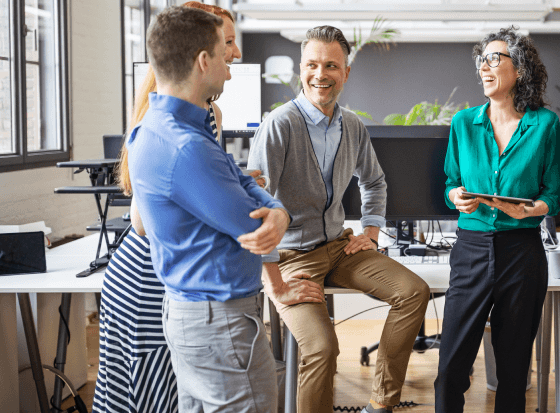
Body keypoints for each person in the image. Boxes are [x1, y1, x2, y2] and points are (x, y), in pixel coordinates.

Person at [92, 3, 295, 412]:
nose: (231, 61)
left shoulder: (166, 127)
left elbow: (236, 179)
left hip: (190, 308)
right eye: (225, 50)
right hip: (216, 318)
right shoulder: (186, 147)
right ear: (204, 60)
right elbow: (250, 222)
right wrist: (277, 211)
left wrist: (266, 202)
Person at [247, 25, 430, 413]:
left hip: (340, 247)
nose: (321, 74)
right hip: (292, 258)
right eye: (312, 64)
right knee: (322, 348)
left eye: (331, 65)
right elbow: (254, 209)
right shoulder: (280, 124)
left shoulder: (352, 126)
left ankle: (381, 403)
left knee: (413, 292)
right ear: (301, 69)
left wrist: (371, 231)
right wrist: (274, 285)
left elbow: (375, 182)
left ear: (345, 72)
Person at [435, 27, 560, 412]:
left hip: (521, 255)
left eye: (495, 58)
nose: (485, 67)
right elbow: (451, 183)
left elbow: (553, 195)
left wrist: (532, 209)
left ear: (520, 68)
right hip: (471, 250)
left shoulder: (545, 124)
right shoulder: (463, 123)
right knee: (451, 367)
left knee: (513, 371)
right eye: (482, 60)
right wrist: (455, 197)